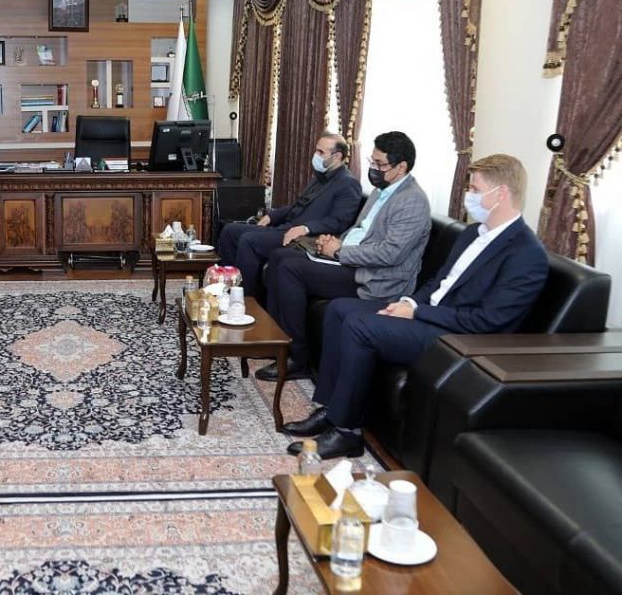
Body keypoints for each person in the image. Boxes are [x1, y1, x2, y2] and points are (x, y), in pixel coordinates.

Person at [284, 154, 548, 459]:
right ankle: (331, 409)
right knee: (339, 310)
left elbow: (489, 321)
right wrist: (408, 302)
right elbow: (438, 281)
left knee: (360, 326)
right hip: (429, 317)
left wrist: (417, 312)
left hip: (458, 338)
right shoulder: (472, 233)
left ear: (500, 194)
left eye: (475, 189)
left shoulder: (527, 254)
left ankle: (346, 432)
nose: (469, 195)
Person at [258, 131, 431, 381]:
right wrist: (336, 241)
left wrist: (340, 251)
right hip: (349, 259)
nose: (373, 169)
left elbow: (390, 253)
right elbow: (361, 230)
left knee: (290, 269)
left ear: (401, 167)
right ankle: (276, 342)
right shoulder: (382, 190)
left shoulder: (412, 201)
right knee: (280, 257)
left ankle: (298, 358)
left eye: (379, 164)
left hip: (373, 277)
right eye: (372, 161)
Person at [216, 133, 361, 300]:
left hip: (304, 238)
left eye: (321, 152)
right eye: (316, 150)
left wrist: (306, 228)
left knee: (249, 240)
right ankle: (225, 288)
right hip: (286, 227)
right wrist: (272, 216)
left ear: (337, 156)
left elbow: (339, 222)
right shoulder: (320, 177)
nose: (316, 155)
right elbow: (297, 205)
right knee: (230, 230)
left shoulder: (348, 184)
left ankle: (244, 299)